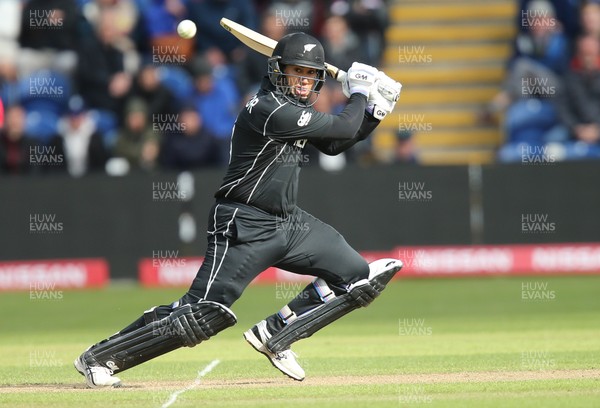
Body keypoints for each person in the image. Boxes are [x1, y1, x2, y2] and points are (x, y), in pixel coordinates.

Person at [73, 32, 402, 388]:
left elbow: (337, 144)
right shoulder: (269, 110)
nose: (305, 81)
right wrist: (360, 91)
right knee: (201, 315)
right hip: (242, 223)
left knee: (355, 276)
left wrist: (374, 111)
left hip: (288, 223)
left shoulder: (295, 110)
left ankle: (276, 333)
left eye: (310, 74)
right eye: (297, 72)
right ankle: (100, 358)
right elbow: (342, 124)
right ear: (279, 72)